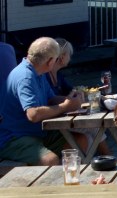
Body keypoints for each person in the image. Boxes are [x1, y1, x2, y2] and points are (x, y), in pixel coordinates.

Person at [0, 37, 84, 165]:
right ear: (50, 61)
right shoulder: (25, 77)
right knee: (50, 160)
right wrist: (65, 106)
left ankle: (63, 177)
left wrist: (70, 100)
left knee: (81, 140)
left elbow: (51, 99)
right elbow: (33, 114)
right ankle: (56, 179)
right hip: (13, 138)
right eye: (56, 59)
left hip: (36, 133)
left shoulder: (37, 72)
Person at [46, 39, 110, 156]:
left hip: (65, 114)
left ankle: (100, 160)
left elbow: (71, 90)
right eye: (69, 54)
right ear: (62, 56)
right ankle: (109, 158)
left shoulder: (58, 75)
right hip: (55, 119)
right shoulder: (46, 75)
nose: (70, 58)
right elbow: (51, 99)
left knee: (90, 133)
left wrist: (81, 92)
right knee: (94, 127)